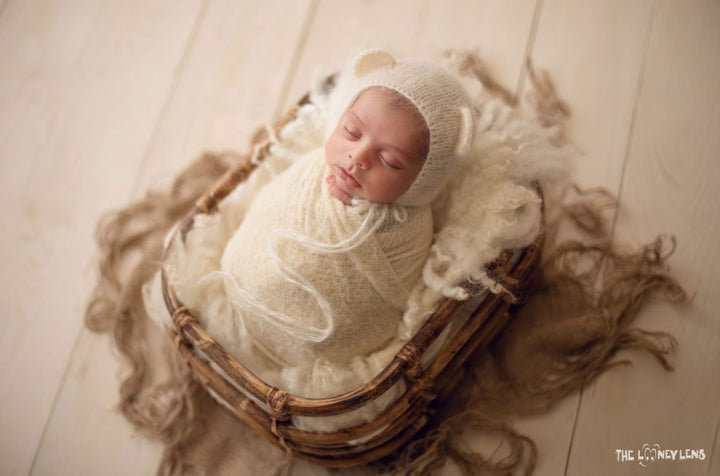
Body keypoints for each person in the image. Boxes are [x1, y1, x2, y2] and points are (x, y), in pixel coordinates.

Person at [215, 48, 475, 373]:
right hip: (235, 289)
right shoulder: (310, 167)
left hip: (318, 354)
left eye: (390, 161)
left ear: (421, 182)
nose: (357, 157)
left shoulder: (407, 229)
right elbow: (269, 207)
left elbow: (387, 298)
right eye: (351, 132)